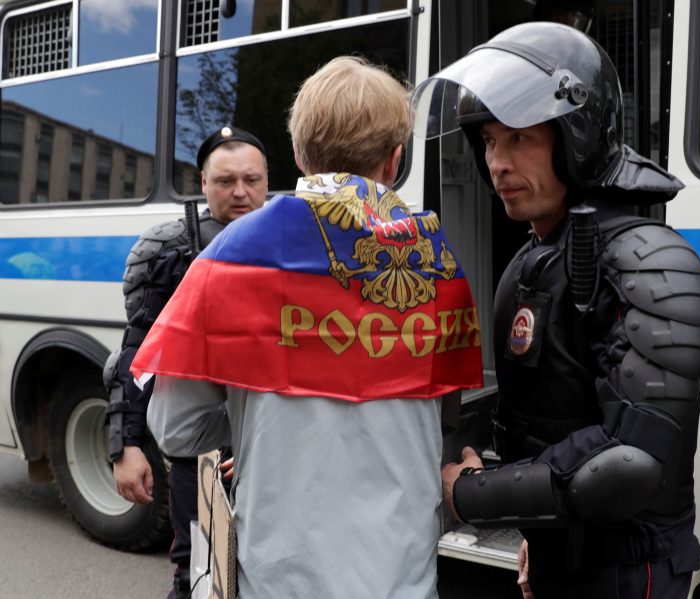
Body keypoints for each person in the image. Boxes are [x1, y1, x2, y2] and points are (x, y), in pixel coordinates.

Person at [136, 56, 483, 598]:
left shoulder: (234, 255)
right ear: (394, 161)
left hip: (278, 576)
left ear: (298, 154)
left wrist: (256, 421)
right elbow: (446, 418)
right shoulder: (439, 263)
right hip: (403, 574)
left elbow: (177, 428)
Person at [412, 22, 700, 598]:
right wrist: (539, 531)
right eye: (489, 141)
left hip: (626, 567)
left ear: (577, 136)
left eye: (519, 138)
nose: (497, 162)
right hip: (564, 552)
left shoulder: (649, 259)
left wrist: (470, 493)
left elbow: (628, 461)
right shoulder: (535, 256)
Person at [103, 125, 268, 599]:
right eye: (225, 180)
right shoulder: (167, 254)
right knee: (201, 575)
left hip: (275, 447)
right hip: (200, 455)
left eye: (251, 179)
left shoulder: (296, 246)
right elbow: (138, 356)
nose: (240, 191)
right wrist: (126, 445)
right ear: (203, 183)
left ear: (268, 180)